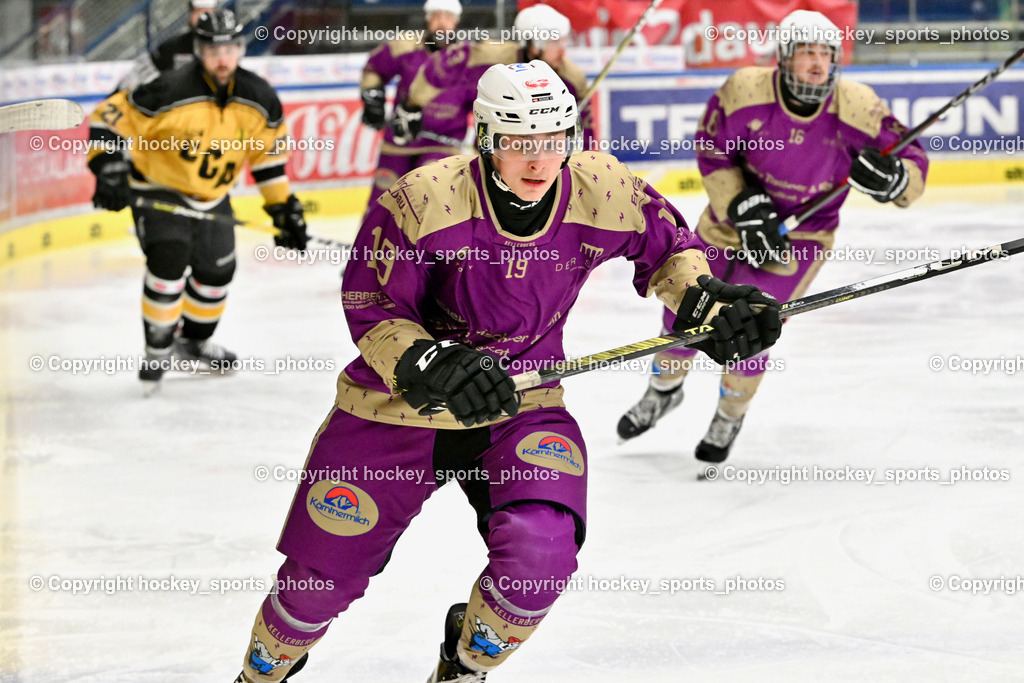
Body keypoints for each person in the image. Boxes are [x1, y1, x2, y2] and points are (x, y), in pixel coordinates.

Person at [232, 60, 782, 683]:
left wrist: (706, 302)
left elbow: (670, 251)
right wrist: (430, 363)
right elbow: (372, 304)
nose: (540, 161)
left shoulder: (600, 184)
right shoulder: (423, 199)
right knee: (314, 588)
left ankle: (462, 666)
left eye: (554, 141)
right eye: (521, 142)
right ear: (487, 137)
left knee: (540, 559)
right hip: (394, 410)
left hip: (520, 403)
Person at [616, 9, 929, 463]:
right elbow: (712, 149)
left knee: (753, 325)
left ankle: (730, 413)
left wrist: (896, 179)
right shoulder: (744, 90)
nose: (818, 66)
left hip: (802, 237)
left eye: (826, 56)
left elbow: (912, 159)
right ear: (783, 58)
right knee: (685, 307)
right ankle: (663, 389)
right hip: (727, 224)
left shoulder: (858, 107)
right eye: (806, 56)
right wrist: (740, 204)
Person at [87, 8, 308, 389]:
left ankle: (192, 343)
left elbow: (268, 161)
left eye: (230, 49)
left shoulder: (260, 98)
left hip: (213, 197)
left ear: (240, 49)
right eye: (213, 50)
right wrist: (108, 166)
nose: (222, 59)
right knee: (169, 258)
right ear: (198, 50)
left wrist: (283, 210)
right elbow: (107, 118)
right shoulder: (168, 89)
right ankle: (158, 348)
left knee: (217, 273)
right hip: (159, 190)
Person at [387, 3, 595, 197]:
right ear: (534, 44)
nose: (563, 50)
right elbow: (440, 67)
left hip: (541, 173)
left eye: (563, 41)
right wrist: (411, 105)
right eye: (555, 42)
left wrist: (585, 172)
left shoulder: (571, 79)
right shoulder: (488, 55)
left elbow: (586, 131)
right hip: (492, 168)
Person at [359, 0, 464, 215]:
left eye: (447, 16)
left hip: (443, 143)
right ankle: (371, 247)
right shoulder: (406, 45)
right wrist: (373, 99)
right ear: (427, 19)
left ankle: (427, 248)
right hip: (400, 140)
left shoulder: (468, 56)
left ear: (457, 21)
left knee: (432, 202)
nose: (441, 22)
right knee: (382, 205)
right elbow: (374, 68)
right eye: (436, 16)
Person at [116, 0, 220, 91]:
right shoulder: (173, 45)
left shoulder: (227, 48)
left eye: (207, 12)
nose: (202, 17)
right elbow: (137, 75)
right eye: (197, 12)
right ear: (190, 13)